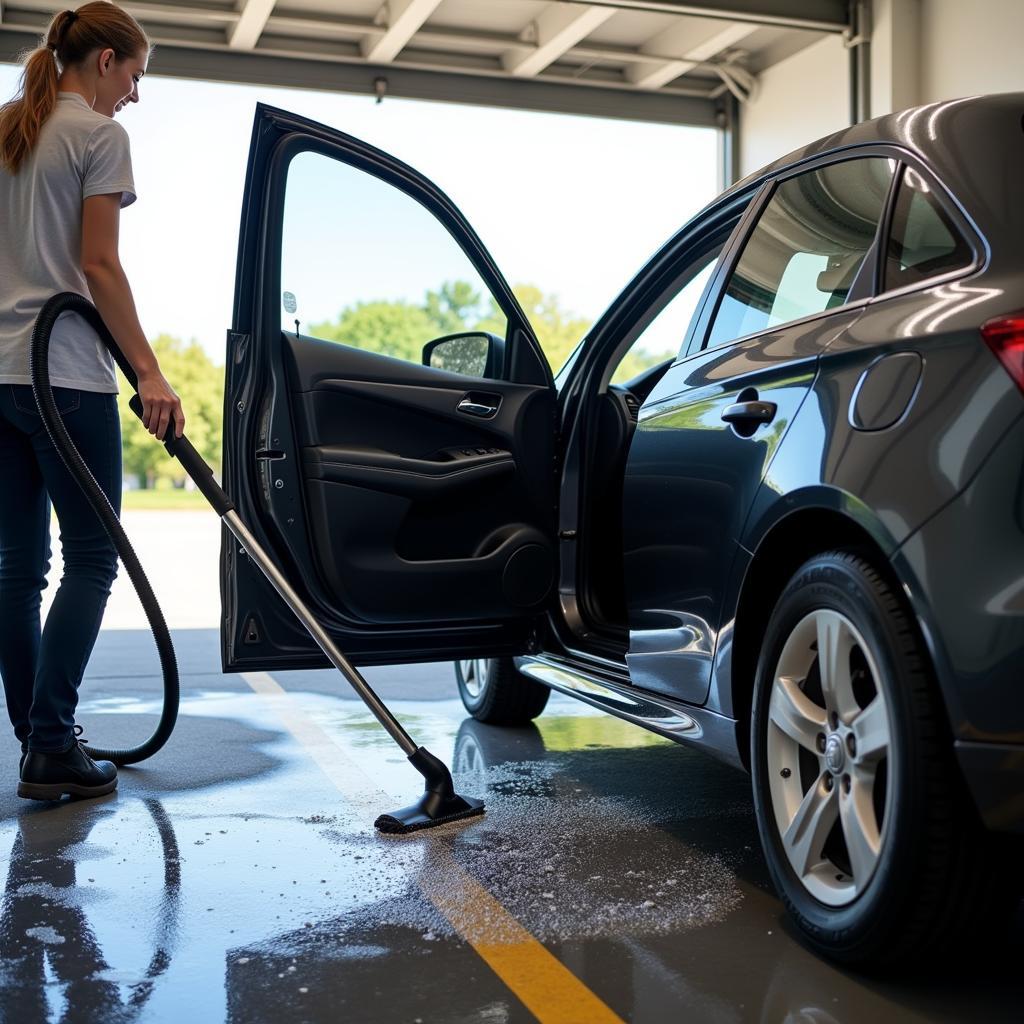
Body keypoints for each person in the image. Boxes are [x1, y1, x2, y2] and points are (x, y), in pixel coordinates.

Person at [0, 3, 185, 800]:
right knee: (91, 557)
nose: (136, 95)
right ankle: (51, 742)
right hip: (68, 375)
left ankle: (39, 737)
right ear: (105, 59)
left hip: (0, 377)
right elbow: (99, 267)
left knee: (15, 569)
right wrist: (149, 371)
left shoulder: (8, 125)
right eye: (136, 75)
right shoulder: (99, 136)